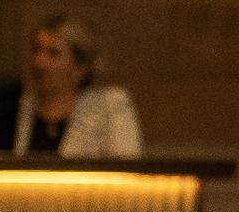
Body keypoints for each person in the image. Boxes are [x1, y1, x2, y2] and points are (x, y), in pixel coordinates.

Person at [10, 15, 143, 158]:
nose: (39, 62)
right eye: (37, 50)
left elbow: (126, 167)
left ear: (80, 68)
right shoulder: (22, 105)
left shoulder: (110, 105)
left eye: (53, 54)